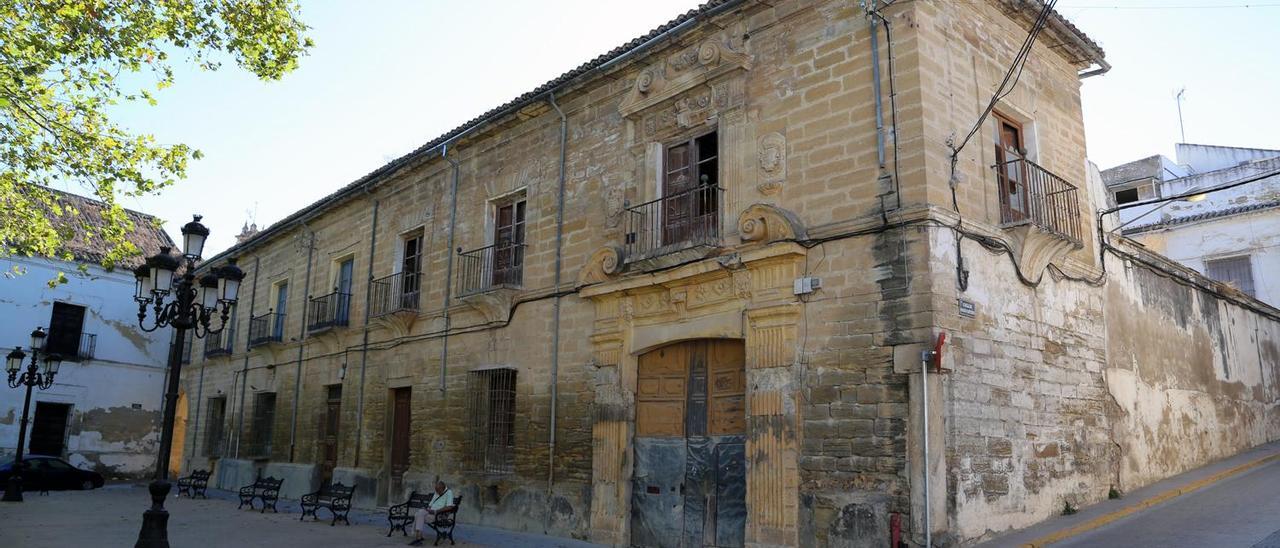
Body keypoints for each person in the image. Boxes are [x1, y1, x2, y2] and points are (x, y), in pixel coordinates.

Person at [409, 480, 456, 546]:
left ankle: (418, 537)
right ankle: (418, 538)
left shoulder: (449, 493)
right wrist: (427, 509)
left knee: (418, 515)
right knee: (420, 513)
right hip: (430, 513)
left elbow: (449, 507)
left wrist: (435, 511)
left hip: (439, 515)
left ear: (442, 488)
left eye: (438, 491)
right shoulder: (437, 492)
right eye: (436, 490)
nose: (436, 492)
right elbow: (430, 504)